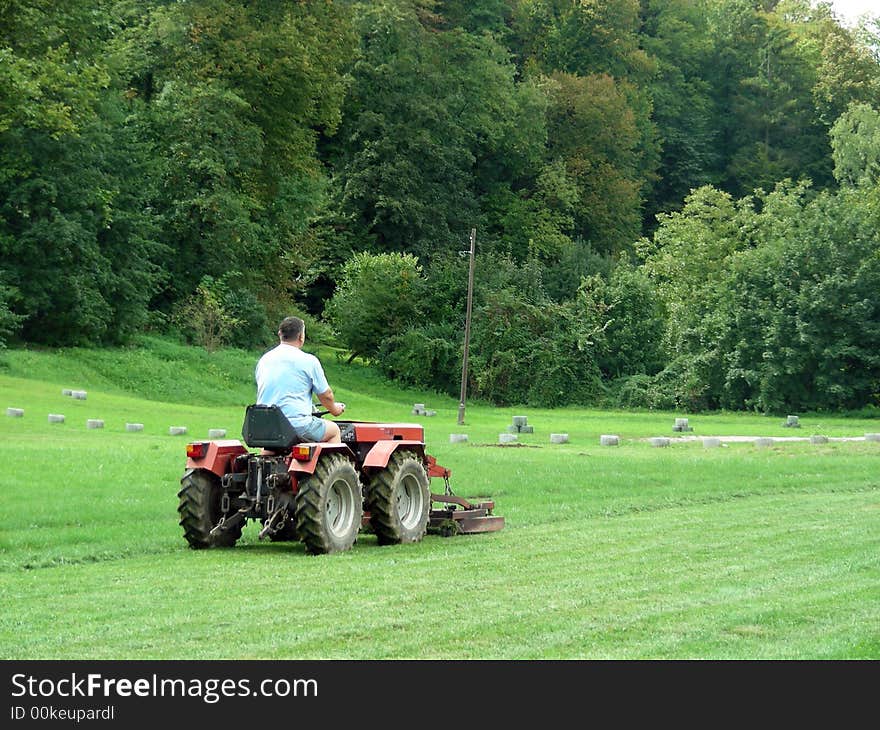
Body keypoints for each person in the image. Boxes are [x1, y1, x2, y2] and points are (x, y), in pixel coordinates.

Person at [255, 316, 345, 444]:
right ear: (301, 337)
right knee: (334, 431)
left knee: (271, 446)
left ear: (280, 334)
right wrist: (335, 410)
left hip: (267, 425)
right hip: (297, 425)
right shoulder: (309, 361)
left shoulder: (264, 360)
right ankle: (328, 464)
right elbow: (326, 396)